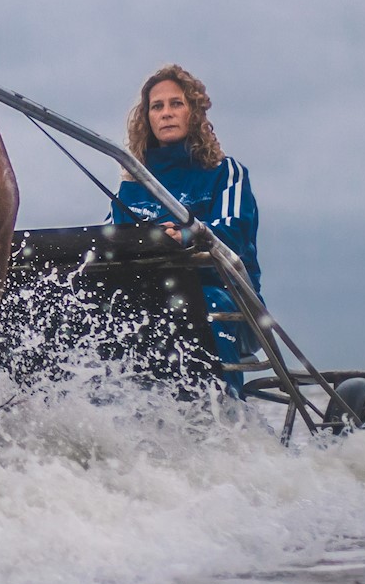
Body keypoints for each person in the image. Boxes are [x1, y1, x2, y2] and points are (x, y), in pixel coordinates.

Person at [108, 65, 262, 396]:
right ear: (146, 117)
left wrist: (187, 236)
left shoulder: (225, 173)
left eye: (176, 104)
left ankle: (229, 420)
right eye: (157, 106)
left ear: (193, 112)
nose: (166, 113)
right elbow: (110, 240)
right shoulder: (131, 186)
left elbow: (234, 231)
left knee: (201, 302)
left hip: (228, 302)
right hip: (153, 300)